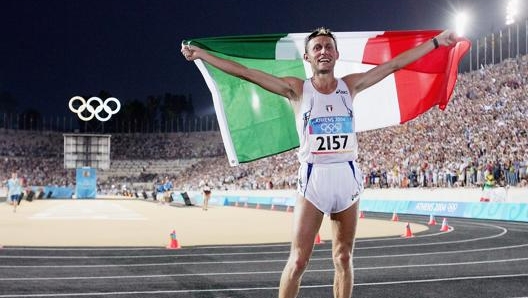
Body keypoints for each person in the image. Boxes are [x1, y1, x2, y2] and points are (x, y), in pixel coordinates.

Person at [182, 27, 457, 298]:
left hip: (347, 178)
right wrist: (203, 55)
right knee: (299, 261)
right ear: (308, 57)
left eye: (328, 47)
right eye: (317, 48)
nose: (323, 51)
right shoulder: (296, 89)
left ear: (336, 54)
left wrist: (436, 42)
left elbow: (394, 64)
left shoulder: (350, 86)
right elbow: (245, 72)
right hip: (314, 180)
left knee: (343, 258)